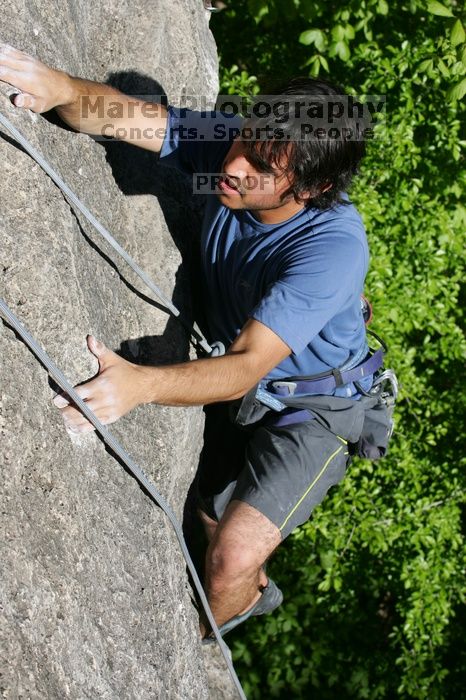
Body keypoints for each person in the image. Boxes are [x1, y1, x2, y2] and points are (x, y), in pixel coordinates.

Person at [0, 43, 377, 640]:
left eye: (263, 168)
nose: (236, 165)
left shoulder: (330, 249)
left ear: (311, 187)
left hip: (313, 409)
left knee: (228, 559)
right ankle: (244, 591)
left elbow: (248, 365)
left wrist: (140, 384)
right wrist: (62, 89)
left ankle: (207, 637)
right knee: (207, 511)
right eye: (244, 143)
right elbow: (127, 117)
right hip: (244, 378)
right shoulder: (235, 153)